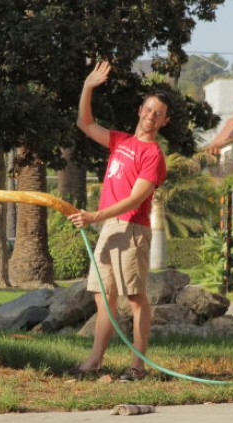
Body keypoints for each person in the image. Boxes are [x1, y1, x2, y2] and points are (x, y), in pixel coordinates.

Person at [67, 61, 169, 381]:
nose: (151, 115)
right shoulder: (120, 141)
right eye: (148, 109)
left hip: (131, 229)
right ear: (140, 110)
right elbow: (85, 123)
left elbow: (136, 199)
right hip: (109, 227)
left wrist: (95, 215)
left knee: (136, 298)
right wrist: (88, 86)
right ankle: (95, 361)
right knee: (103, 297)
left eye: (158, 113)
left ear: (164, 121)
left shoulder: (153, 155)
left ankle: (137, 367)